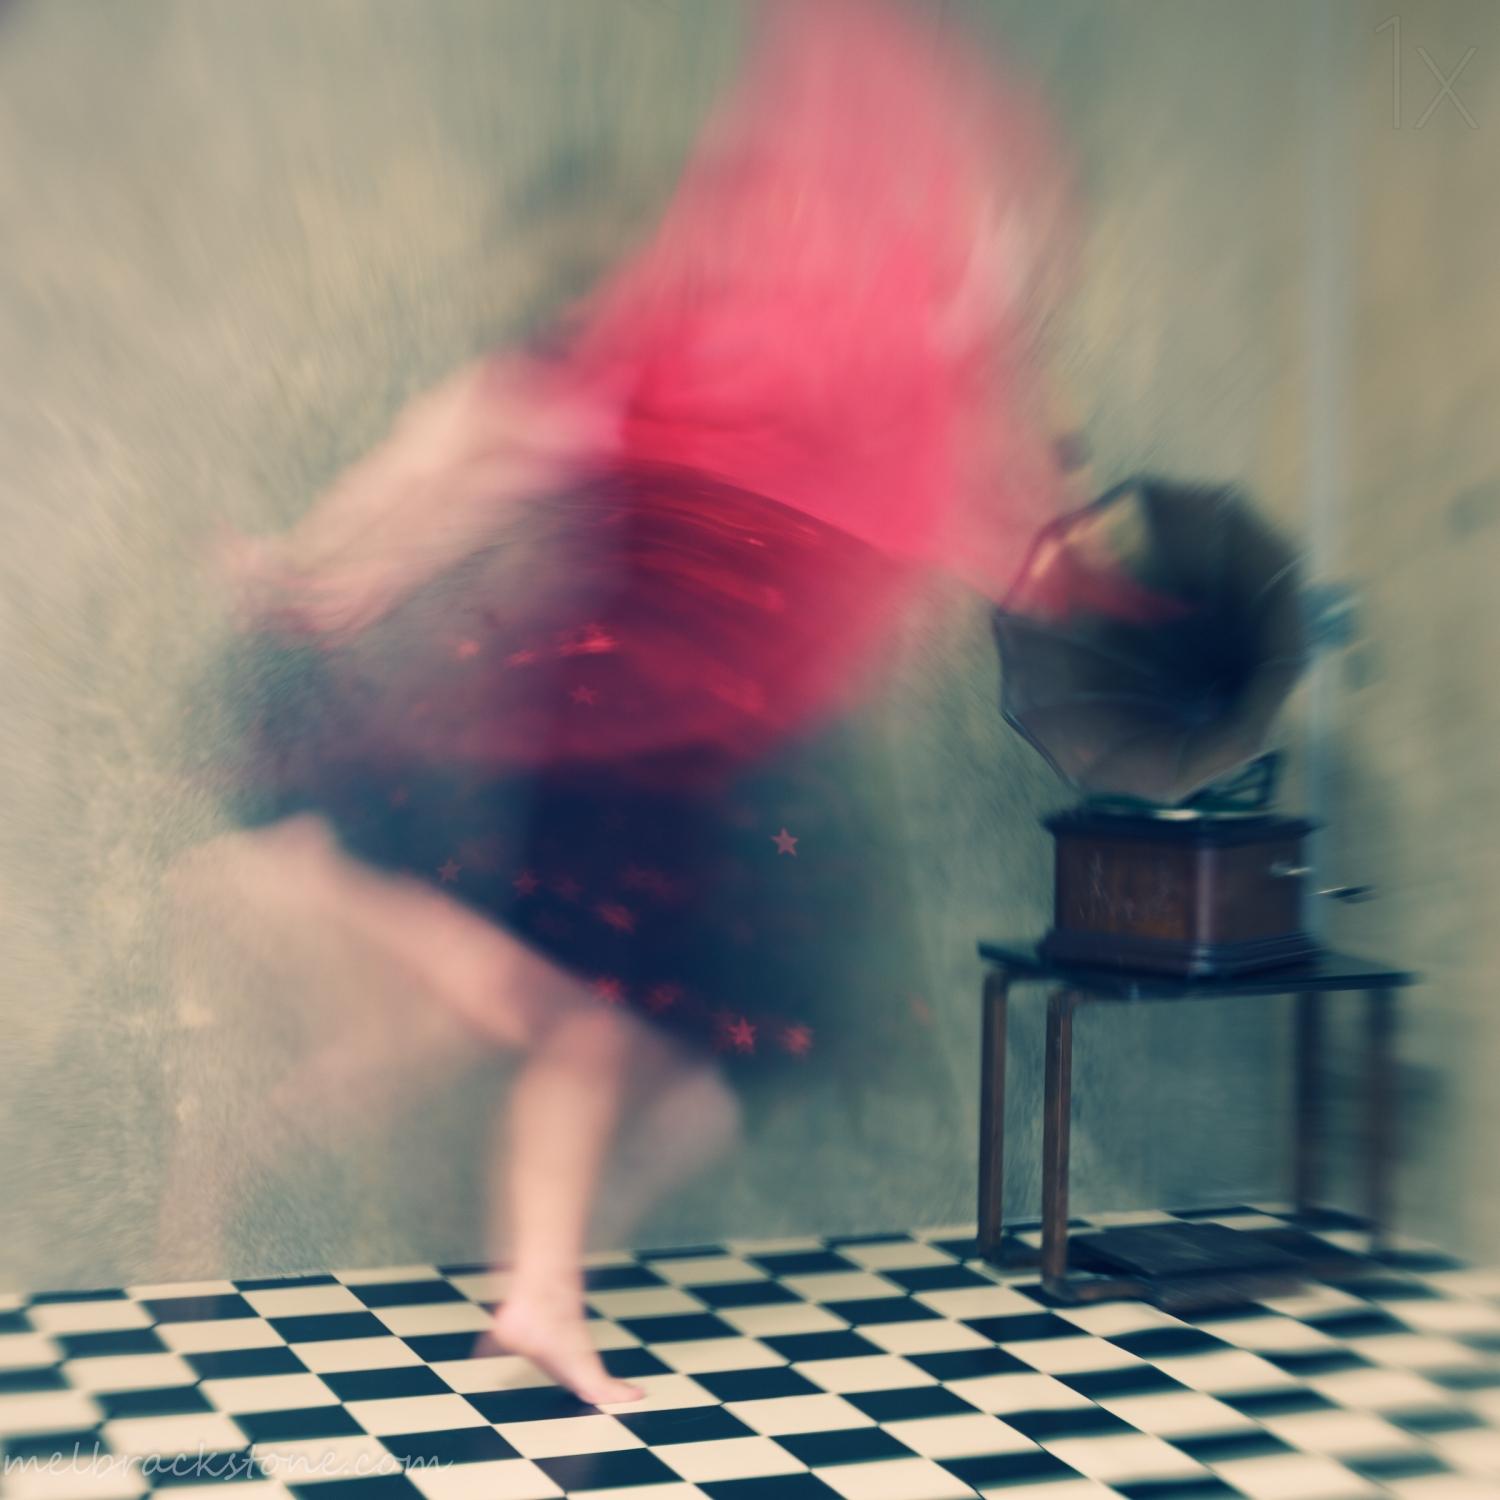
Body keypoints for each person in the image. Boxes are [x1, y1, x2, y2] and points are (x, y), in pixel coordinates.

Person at [160, 0, 1092, 1406]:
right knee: (569, 1024)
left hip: (686, 751)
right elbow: (466, 451)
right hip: (611, 728)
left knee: (645, 1052)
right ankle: (524, 1274)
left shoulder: (769, 381)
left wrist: (1038, 545)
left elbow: (924, 497)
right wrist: (321, 575)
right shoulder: (627, 377)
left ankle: (540, 1278)